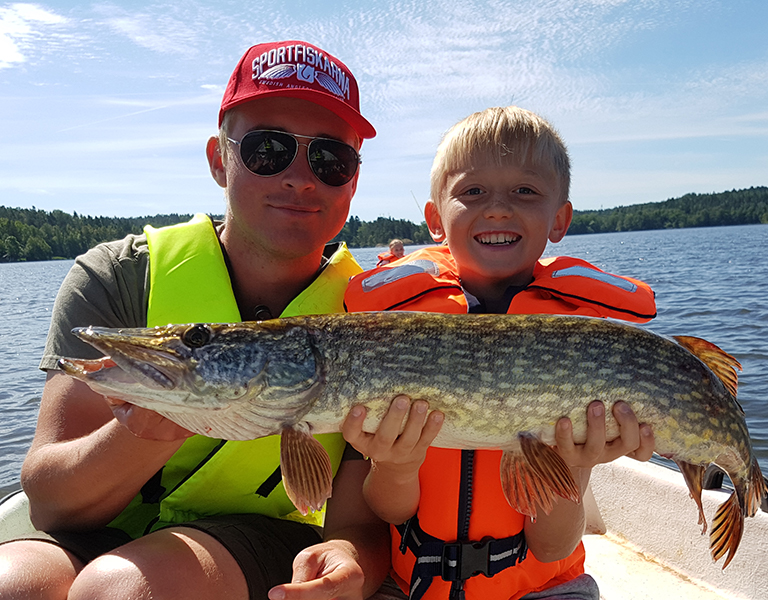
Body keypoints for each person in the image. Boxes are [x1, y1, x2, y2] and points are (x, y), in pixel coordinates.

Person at [0, 40, 390, 600]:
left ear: (352, 180)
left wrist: (352, 562)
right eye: (268, 149)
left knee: (121, 589)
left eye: (331, 159)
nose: (301, 178)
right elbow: (54, 501)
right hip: (101, 523)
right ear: (218, 159)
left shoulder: (376, 312)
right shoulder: (119, 276)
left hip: (266, 537)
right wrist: (151, 425)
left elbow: (360, 526)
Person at [341, 106, 658, 600]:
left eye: (524, 191)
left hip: (544, 587)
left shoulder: (575, 344)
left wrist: (574, 466)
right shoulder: (395, 335)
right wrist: (397, 466)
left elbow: (553, 548)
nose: (497, 209)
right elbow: (392, 511)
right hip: (414, 585)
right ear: (434, 220)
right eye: (472, 192)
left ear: (559, 219)